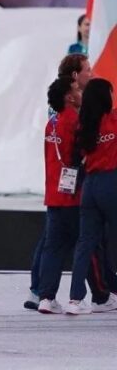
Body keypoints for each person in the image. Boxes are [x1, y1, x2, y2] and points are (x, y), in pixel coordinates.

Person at [35, 76, 117, 313]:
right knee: (92, 247)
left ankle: (48, 297)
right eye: (77, 89)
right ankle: (101, 296)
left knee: (54, 248)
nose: (81, 92)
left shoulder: (51, 123)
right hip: (78, 192)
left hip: (55, 192)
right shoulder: (77, 121)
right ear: (69, 97)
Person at [67, 78, 117, 314]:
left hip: (90, 186)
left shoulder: (84, 125)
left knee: (85, 243)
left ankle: (75, 299)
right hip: (111, 182)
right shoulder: (114, 119)